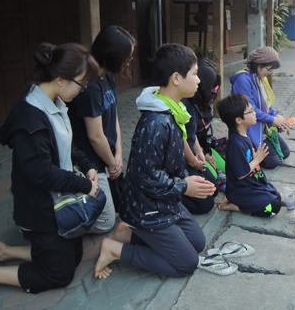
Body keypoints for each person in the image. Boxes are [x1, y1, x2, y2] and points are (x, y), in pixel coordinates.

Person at [0, 43, 100, 295]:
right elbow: (41, 173)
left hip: (58, 198)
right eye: (81, 84)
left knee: (74, 258)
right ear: (61, 79)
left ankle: (4, 251)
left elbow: (66, 145)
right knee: (60, 274)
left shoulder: (53, 100)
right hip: (39, 208)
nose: (82, 90)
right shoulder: (29, 116)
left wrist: (87, 166)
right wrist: (85, 186)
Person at [94, 44, 218, 279]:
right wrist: (185, 186)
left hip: (165, 201)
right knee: (187, 264)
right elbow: (146, 177)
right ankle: (116, 250)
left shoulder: (174, 110)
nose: (199, 81)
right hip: (148, 208)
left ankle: (128, 234)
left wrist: (187, 179)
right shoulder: (156, 122)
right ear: (176, 78)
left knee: (198, 243)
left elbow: (167, 166)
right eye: (194, 74)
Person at [68, 25, 136, 233]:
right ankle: (61, 219)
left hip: (107, 157)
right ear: (112, 55)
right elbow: (95, 136)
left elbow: (113, 115)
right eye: (126, 59)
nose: (127, 64)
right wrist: (111, 163)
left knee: (126, 206)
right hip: (91, 161)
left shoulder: (108, 78)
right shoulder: (89, 86)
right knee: (106, 222)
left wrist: (118, 154)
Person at [215, 93, 281, 217]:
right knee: (273, 208)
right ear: (239, 120)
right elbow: (241, 174)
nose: (255, 113)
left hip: (251, 184)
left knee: (277, 196)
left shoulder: (245, 135)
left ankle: (238, 202)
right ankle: (237, 206)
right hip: (241, 190)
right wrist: (257, 159)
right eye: (251, 111)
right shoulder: (235, 144)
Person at [230, 46, 291, 168]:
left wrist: (275, 115)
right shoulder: (243, 80)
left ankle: (262, 145)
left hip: (261, 127)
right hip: (249, 129)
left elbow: (265, 104)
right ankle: (250, 148)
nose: (269, 73)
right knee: (273, 162)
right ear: (259, 65)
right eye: (268, 69)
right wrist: (273, 120)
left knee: (285, 153)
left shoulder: (259, 77)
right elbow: (250, 110)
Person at [181, 58, 225, 214]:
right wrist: (195, 162)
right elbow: (182, 139)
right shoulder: (183, 103)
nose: (197, 80)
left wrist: (200, 153)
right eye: (194, 75)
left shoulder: (193, 102)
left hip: (194, 154)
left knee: (213, 189)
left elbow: (191, 135)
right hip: (181, 161)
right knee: (206, 204)